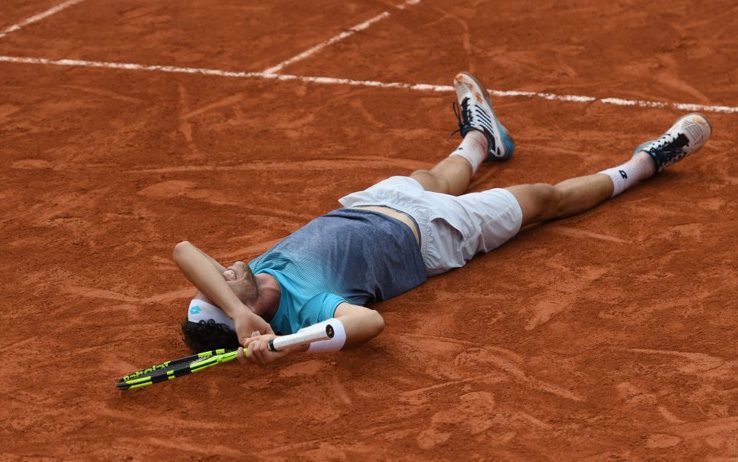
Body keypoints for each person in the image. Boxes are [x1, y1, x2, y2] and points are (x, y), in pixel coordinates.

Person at [174, 72, 712, 365]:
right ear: (255, 313)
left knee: (434, 174)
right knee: (543, 199)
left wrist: (236, 314)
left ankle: (482, 137)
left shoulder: (249, 288)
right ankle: (646, 161)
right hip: (436, 235)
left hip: (372, 204)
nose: (224, 271)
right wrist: (285, 342)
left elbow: (183, 252)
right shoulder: (305, 307)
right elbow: (370, 325)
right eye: (224, 289)